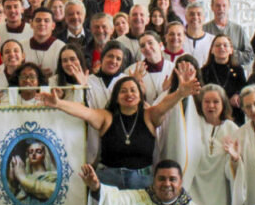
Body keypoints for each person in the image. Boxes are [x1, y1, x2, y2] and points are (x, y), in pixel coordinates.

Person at [39, 68, 194, 186]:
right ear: (116, 97)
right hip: (108, 181)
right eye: (123, 91)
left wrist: (180, 92)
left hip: (142, 181)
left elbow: (165, 105)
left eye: (133, 90)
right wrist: (58, 103)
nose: (129, 94)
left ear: (140, 95)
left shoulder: (149, 115)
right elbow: (84, 112)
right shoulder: (106, 117)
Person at [200, 34, 247, 124]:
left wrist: (238, 95)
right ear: (212, 50)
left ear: (231, 50)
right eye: (217, 45)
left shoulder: (238, 70)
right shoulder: (204, 71)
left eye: (225, 45)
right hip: (211, 115)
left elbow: (243, 89)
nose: (221, 48)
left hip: (234, 116)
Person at [202, 0, 255, 66]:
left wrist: (229, 53)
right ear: (212, 7)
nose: (221, 9)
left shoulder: (238, 29)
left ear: (229, 7)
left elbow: (249, 55)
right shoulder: (204, 29)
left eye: (224, 6)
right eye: (218, 6)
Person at [21, 8, 65, 76]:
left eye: (46, 21)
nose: (42, 23)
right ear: (31, 24)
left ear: (53, 26)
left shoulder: (61, 47)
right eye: (38, 20)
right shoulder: (21, 46)